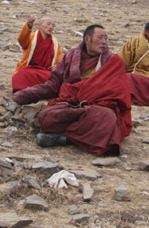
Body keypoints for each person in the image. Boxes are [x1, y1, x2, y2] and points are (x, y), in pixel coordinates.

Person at [13, 25, 132, 155]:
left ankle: (65, 138)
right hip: (70, 104)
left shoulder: (113, 61)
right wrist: (25, 95)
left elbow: (119, 94)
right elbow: (53, 85)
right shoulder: (71, 56)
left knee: (107, 118)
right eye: (100, 38)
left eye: (106, 38)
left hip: (97, 107)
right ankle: (78, 136)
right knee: (47, 117)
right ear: (87, 39)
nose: (104, 42)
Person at [11, 16, 63, 92]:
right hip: (29, 69)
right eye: (48, 24)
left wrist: (55, 67)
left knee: (53, 78)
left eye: (53, 25)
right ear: (40, 25)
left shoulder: (55, 44)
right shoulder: (31, 37)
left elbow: (58, 61)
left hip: (45, 72)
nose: (51, 27)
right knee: (21, 74)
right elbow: (22, 40)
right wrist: (28, 26)